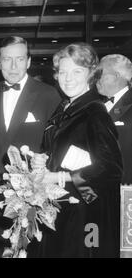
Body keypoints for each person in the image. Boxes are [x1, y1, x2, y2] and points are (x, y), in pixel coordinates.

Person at [31, 43, 122, 258]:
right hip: (62, 207)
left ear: (91, 74)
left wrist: (59, 176)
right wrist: (42, 160)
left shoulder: (94, 112)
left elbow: (111, 169)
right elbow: (59, 148)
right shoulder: (65, 107)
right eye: (63, 72)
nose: (68, 78)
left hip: (85, 212)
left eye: (76, 71)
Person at [0, 36, 61, 257]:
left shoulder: (48, 94)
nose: (13, 66)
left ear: (28, 62)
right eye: (7, 59)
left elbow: (57, 143)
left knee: (28, 250)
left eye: (19, 59)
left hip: (31, 190)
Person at [96, 54, 132, 184]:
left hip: (125, 187)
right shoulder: (98, 104)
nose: (97, 78)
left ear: (117, 76)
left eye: (100, 73)